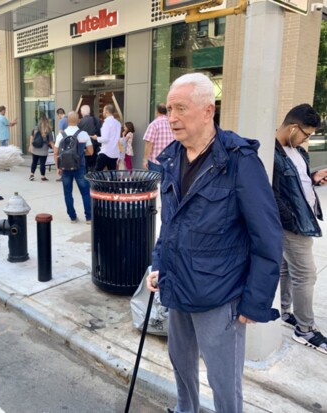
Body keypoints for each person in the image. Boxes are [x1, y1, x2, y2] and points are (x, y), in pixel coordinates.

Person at [146, 73, 282, 413]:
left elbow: (267, 235)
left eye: (181, 108)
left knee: (224, 382)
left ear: (208, 111)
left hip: (220, 296)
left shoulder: (239, 160)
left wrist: (256, 301)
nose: (171, 117)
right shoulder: (172, 158)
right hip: (177, 286)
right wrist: (158, 265)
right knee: (180, 363)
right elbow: (169, 224)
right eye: (169, 109)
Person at [272, 103, 327, 354]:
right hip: (293, 224)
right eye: (306, 134)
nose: (307, 139)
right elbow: (272, 193)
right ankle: (305, 329)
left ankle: (285, 312)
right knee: (306, 274)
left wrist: (314, 177)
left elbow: (297, 183)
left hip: (302, 219)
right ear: (293, 128)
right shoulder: (270, 152)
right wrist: (291, 220)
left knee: (287, 267)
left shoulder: (299, 151)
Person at [54, 111, 93, 224]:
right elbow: (90, 151)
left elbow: (56, 153)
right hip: (80, 167)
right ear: (79, 121)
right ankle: (89, 218)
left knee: (67, 193)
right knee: (85, 192)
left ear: (67, 121)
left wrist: (58, 167)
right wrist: (79, 154)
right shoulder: (83, 134)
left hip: (65, 168)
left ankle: (72, 217)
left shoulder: (61, 135)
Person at [143, 103, 175, 173]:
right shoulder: (172, 124)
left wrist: (145, 159)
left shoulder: (154, 124)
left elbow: (149, 143)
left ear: (157, 112)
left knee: (155, 183)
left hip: (155, 161)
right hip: (169, 161)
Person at [91, 104, 121, 171]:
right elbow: (117, 139)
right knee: (112, 174)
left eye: (103, 111)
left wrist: (96, 138)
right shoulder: (118, 123)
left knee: (96, 173)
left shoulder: (106, 123)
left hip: (106, 152)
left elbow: (105, 139)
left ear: (107, 111)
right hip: (115, 152)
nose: (103, 112)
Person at [29, 114, 55, 181]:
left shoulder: (35, 128)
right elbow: (51, 141)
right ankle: (43, 176)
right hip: (43, 148)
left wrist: (30, 145)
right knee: (42, 163)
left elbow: (31, 137)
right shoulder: (48, 129)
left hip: (35, 147)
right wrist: (55, 149)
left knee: (34, 162)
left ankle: (31, 175)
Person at [78, 104, 101, 172]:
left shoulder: (80, 121)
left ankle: (85, 179)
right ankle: (93, 179)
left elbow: (78, 134)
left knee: (84, 165)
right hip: (95, 145)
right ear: (89, 112)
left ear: (81, 112)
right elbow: (100, 132)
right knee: (94, 164)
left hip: (84, 146)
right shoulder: (96, 119)